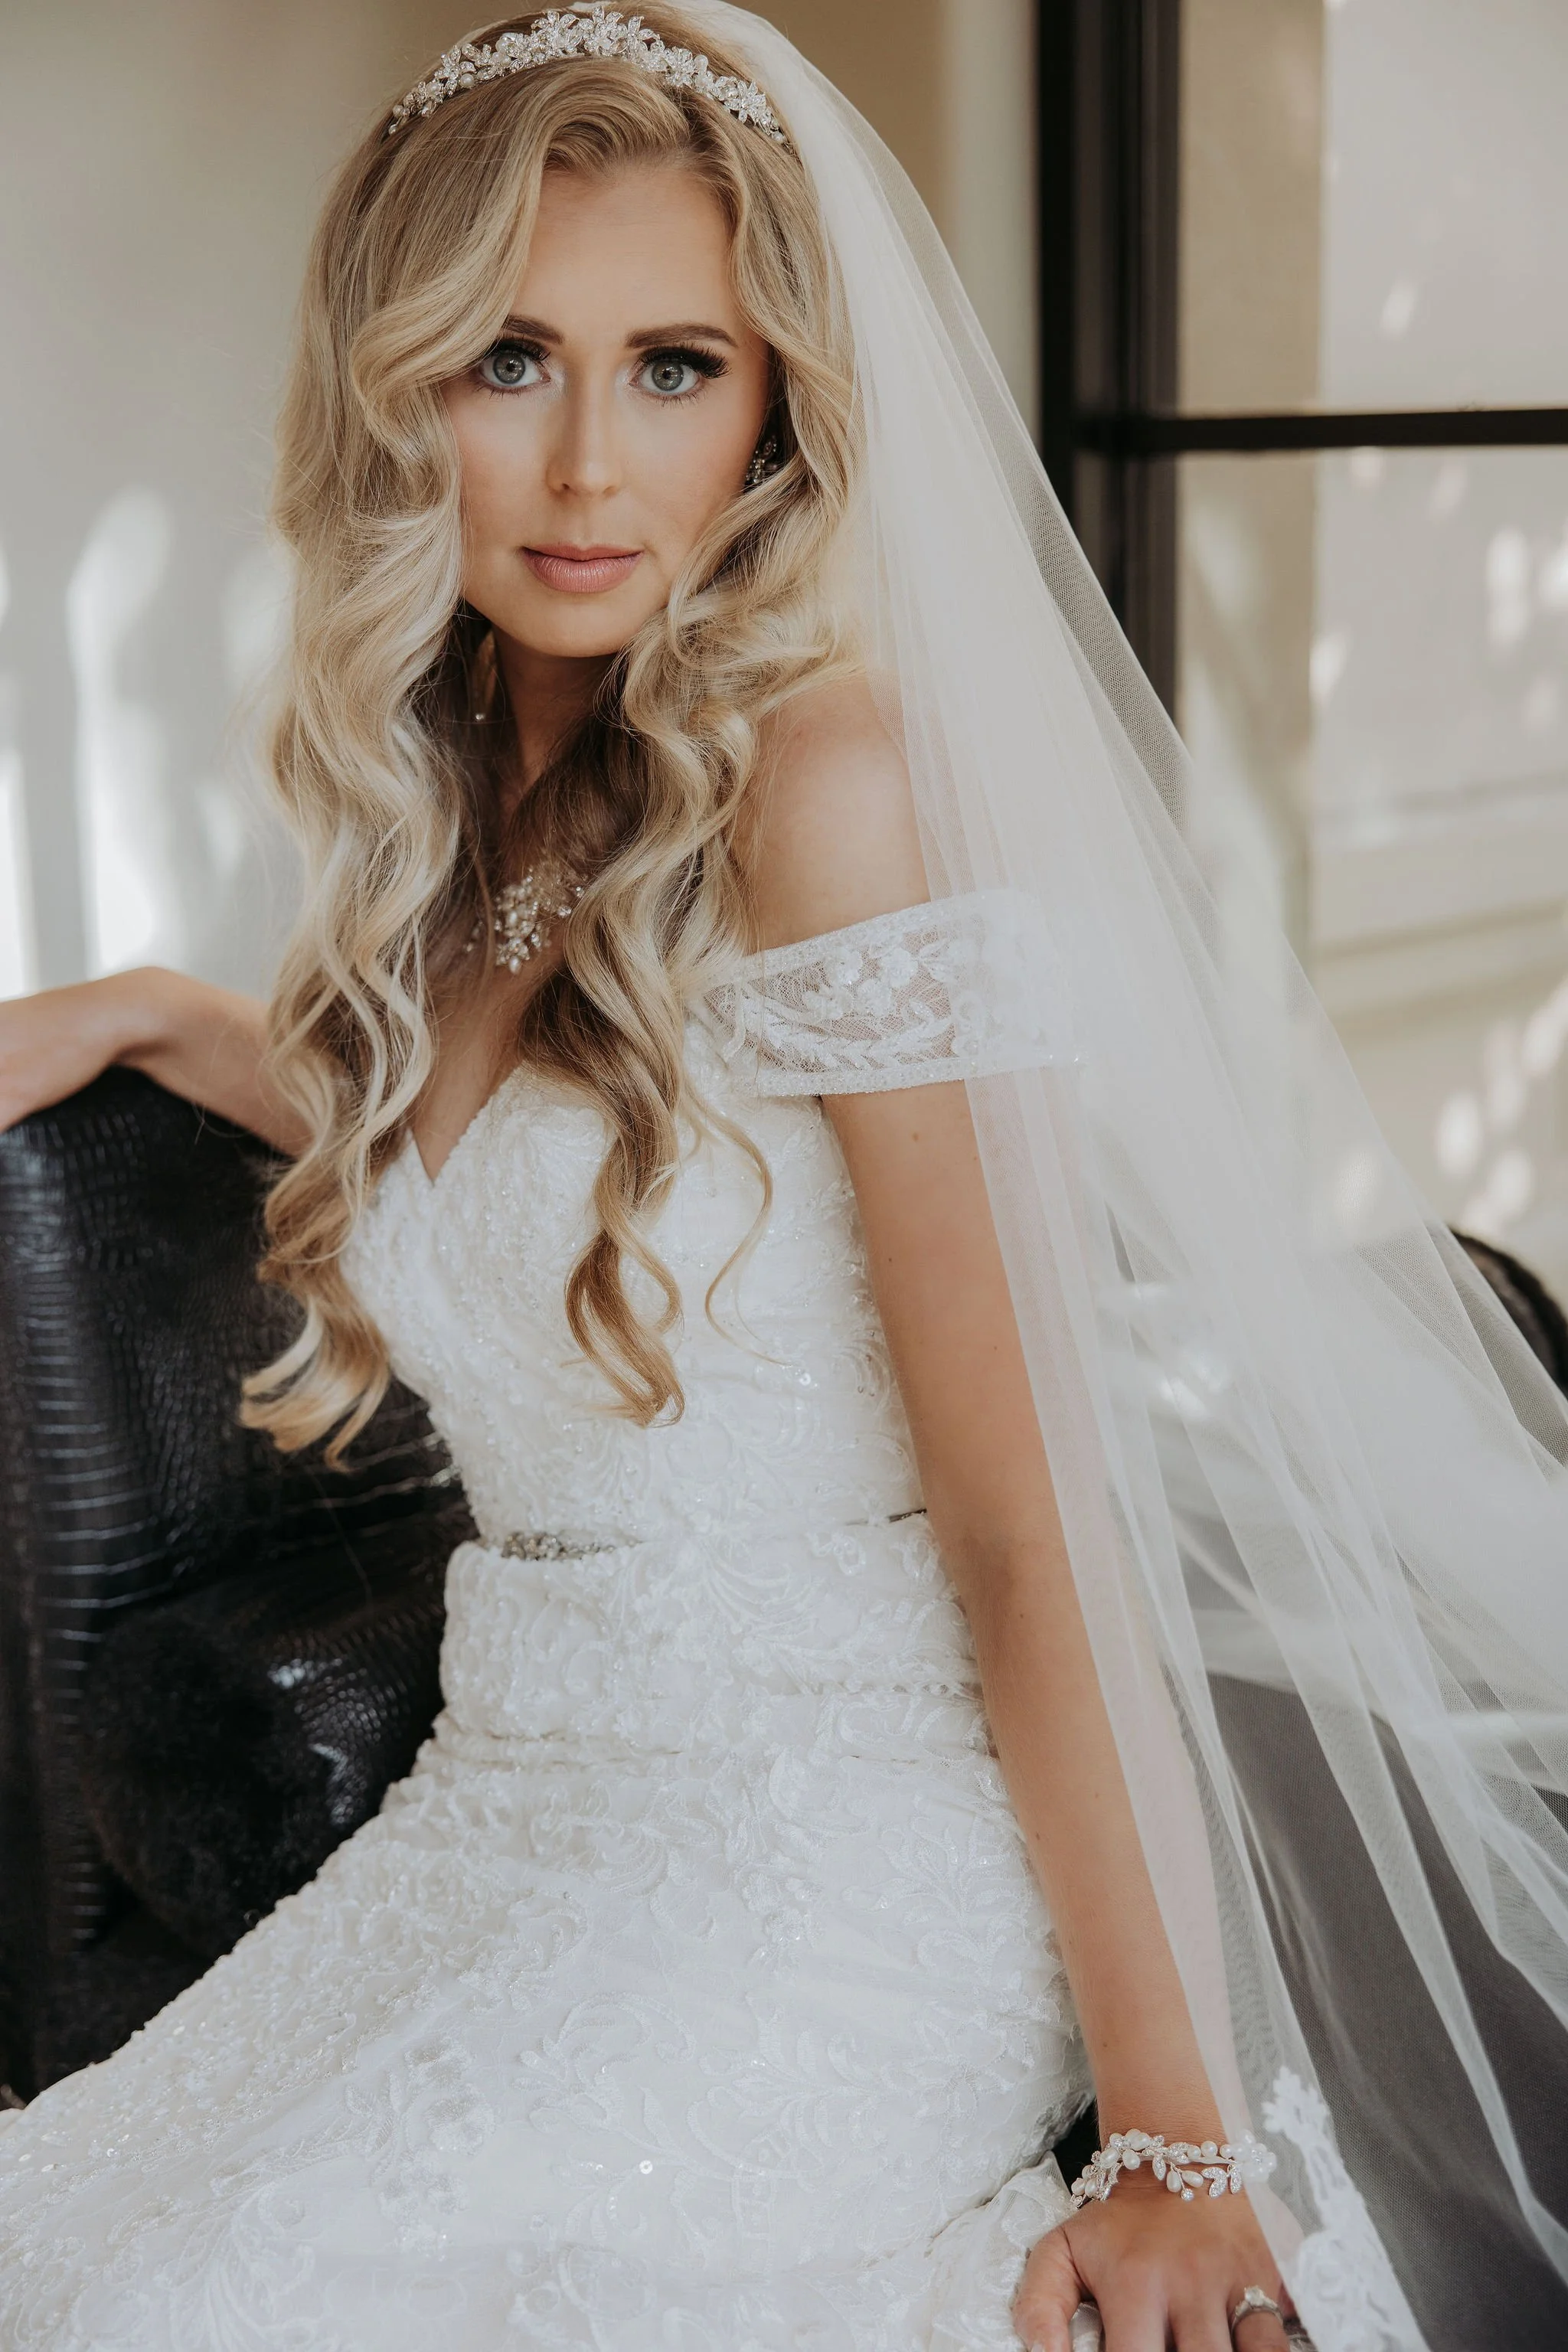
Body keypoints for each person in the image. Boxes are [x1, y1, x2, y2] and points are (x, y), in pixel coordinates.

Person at [2, 8, 1567, 2348]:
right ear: (397, 382)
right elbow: (476, 1142)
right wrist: (146, 1012)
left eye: (674, 367)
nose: (582, 464)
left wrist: (1172, 2141)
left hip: (838, 1856)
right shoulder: (458, 838)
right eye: (510, 357)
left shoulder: (832, 791)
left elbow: (1030, 1524)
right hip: (509, 1813)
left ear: (778, 411)